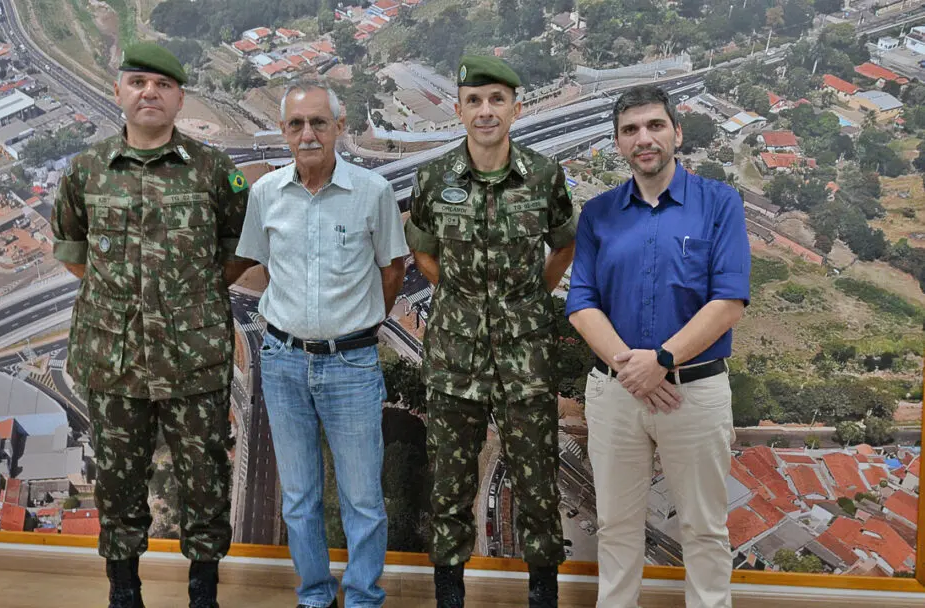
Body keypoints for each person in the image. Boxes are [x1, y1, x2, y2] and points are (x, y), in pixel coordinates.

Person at [51, 42, 253, 608]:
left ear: (179, 99)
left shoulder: (213, 169)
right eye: (138, 82)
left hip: (194, 358)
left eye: (162, 85)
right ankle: (124, 589)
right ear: (118, 91)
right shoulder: (86, 170)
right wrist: (123, 300)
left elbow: (238, 250)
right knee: (118, 482)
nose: (149, 93)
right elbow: (74, 253)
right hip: (114, 360)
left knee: (205, 480)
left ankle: (203, 591)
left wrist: (188, 300)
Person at [566, 84, 750, 608]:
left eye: (654, 126)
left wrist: (662, 361)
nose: (643, 138)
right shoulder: (599, 213)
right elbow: (581, 303)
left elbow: (729, 301)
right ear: (618, 144)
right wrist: (634, 371)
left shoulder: (719, 203)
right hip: (616, 393)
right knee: (615, 526)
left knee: (705, 529)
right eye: (630, 130)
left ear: (677, 133)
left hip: (694, 392)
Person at [404, 55, 576, 608]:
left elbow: (564, 245)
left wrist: (527, 299)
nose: (485, 111)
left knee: (538, 485)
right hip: (454, 357)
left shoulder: (544, 176)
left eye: (497, 100)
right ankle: (449, 594)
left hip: (527, 358)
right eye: (474, 101)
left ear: (515, 109)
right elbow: (423, 251)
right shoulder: (433, 179)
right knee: (449, 485)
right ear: (459, 110)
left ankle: (542, 593)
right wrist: (463, 298)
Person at [235, 80, 408, 608]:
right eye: (296, 124)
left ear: (339, 126)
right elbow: (264, 265)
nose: (307, 134)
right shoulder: (266, 194)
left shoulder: (373, 193)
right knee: (298, 498)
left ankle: (362, 597)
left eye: (318, 122)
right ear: (283, 131)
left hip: (351, 364)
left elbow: (393, 269)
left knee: (362, 498)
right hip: (282, 363)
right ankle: (314, 594)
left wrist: (360, 326)